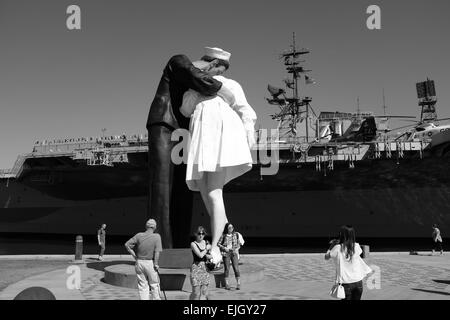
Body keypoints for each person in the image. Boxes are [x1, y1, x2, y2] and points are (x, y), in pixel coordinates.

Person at [146, 50, 236, 248]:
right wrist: (227, 92)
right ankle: (159, 248)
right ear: (212, 63)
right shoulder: (178, 62)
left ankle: (178, 244)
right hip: (164, 125)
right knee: (162, 187)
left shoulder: (193, 78)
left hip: (183, 131)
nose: (218, 76)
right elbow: (202, 80)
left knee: (183, 188)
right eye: (218, 71)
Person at [180, 47, 257, 266]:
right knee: (207, 194)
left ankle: (214, 248)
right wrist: (194, 87)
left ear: (217, 66)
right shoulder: (196, 88)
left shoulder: (231, 85)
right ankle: (220, 241)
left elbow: (245, 110)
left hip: (218, 137)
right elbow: (185, 110)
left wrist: (249, 133)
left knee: (213, 193)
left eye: (210, 64)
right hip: (201, 139)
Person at [325, 225, 372, 300]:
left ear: (341, 235)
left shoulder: (337, 248)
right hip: (358, 282)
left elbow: (326, 257)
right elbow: (358, 252)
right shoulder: (356, 246)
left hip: (346, 283)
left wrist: (332, 246)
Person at [125, 219, 163, 300]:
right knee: (154, 284)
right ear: (155, 227)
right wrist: (156, 264)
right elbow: (157, 252)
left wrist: (134, 256)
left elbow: (127, 245)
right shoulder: (157, 236)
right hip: (150, 263)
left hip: (139, 262)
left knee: (143, 286)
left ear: (146, 226)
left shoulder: (139, 235)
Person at [189, 226, 212, 300]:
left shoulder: (206, 242)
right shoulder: (193, 244)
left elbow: (209, 256)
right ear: (196, 234)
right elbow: (200, 255)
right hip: (196, 268)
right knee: (196, 293)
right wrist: (206, 248)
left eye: (203, 233)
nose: (201, 235)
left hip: (205, 268)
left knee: (204, 292)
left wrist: (209, 255)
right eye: (199, 233)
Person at [217, 223, 242, 290]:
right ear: (226, 228)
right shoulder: (223, 235)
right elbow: (218, 244)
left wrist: (236, 249)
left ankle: (238, 284)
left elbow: (239, 244)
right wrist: (224, 248)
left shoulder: (235, 235)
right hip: (226, 253)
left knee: (236, 268)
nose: (231, 229)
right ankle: (227, 284)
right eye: (229, 228)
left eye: (232, 227)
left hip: (233, 253)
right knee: (227, 269)